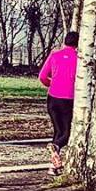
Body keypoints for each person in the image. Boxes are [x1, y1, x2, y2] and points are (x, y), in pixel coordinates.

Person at [38, 31, 79, 175]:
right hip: (69, 99)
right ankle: (55, 147)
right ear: (78, 44)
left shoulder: (54, 55)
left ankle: (53, 167)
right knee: (66, 134)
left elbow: (42, 76)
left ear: (65, 42)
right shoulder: (80, 59)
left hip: (52, 98)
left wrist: (53, 83)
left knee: (58, 131)